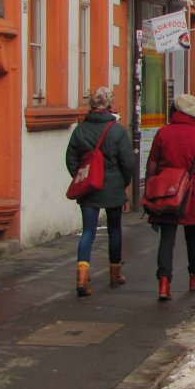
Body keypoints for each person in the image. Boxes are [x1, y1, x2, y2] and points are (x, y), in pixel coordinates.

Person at [145, 94, 195, 300]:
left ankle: (164, 282)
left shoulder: (162, 133)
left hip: (167, 193)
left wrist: (150, 194)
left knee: (167, 237)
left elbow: (151, 166)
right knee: (193, 234)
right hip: (192, 194)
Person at [65, 86, 136, 297]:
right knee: (114, 229)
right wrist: (124, 183)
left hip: (89, 188)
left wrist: (81, 177)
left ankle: (82, 278)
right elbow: (128, 162)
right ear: (109, 104)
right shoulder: (117, 130)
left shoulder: (80, 129)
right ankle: (115, 273)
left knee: (88, 231)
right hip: (113, 188)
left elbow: (71, 159)